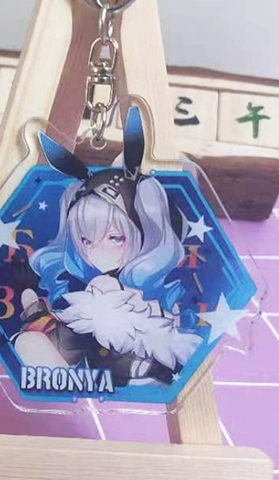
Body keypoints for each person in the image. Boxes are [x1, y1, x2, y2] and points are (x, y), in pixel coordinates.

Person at [14, 108, 201, 388]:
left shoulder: (156, 295)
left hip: (146, 375)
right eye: (86, 241)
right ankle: (35, 315)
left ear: (146, 232)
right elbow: (73, 340)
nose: (97, 252)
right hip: (93, 368)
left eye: (115, 238)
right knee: (30, 342)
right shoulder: (99, 289)